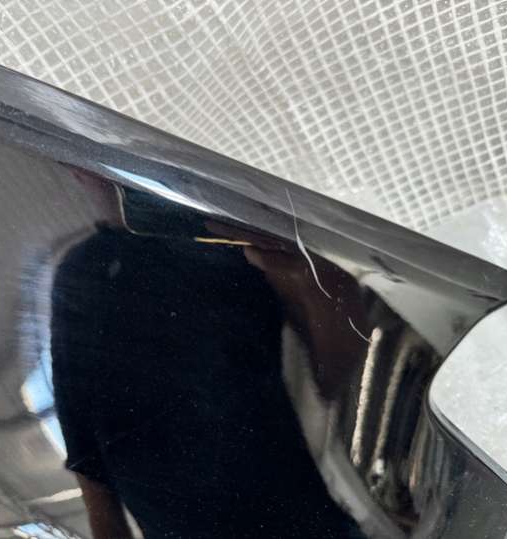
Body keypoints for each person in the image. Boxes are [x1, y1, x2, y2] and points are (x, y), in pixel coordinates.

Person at [51, 180, 367, 538]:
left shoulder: (234, 238)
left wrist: (307, 273)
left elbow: (337, 376)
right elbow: (83, 441)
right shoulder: (84, 269)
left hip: (297, 520)